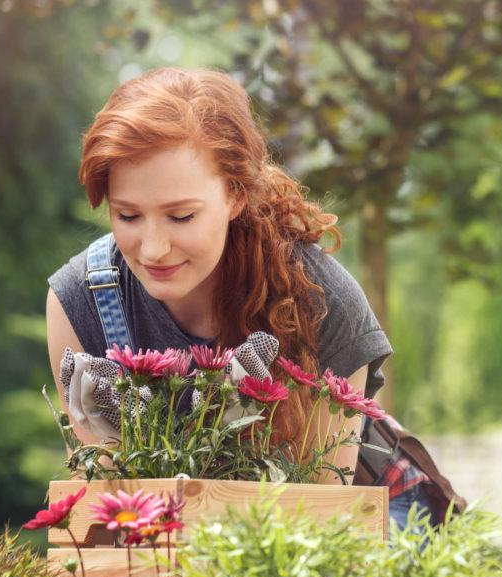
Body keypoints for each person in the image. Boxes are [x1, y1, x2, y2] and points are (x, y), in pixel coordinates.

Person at [46, 67, 391, 484]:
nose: (153, 249)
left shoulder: (326, 304)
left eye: (181, 216)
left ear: (236, 195)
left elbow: (320, 525)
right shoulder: (82, 300)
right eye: (128, 215)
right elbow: (100, 517)